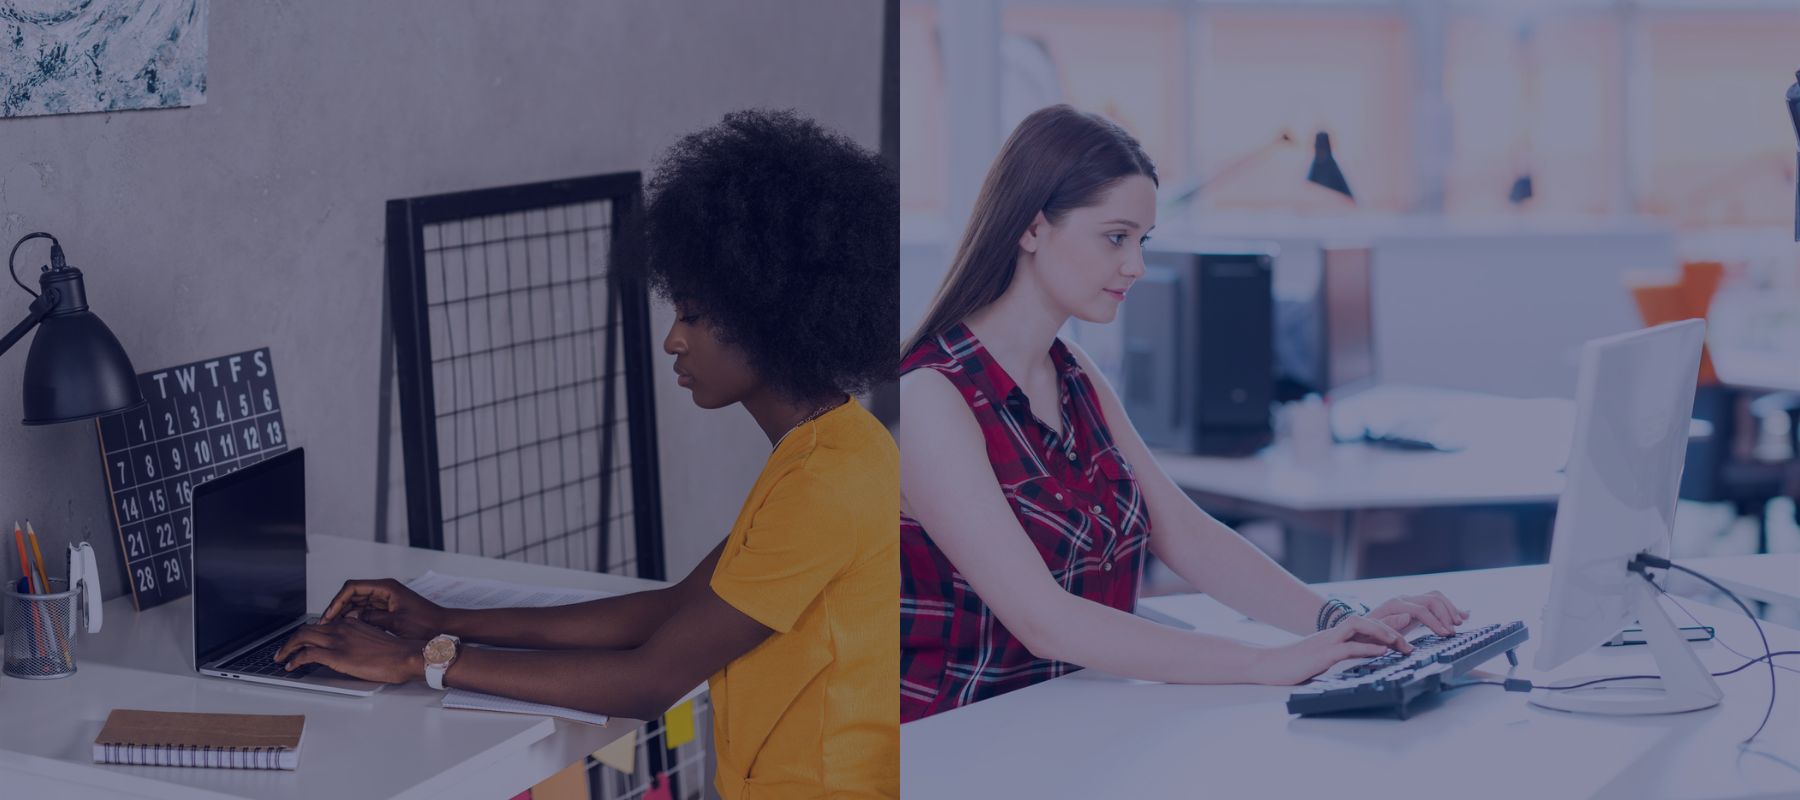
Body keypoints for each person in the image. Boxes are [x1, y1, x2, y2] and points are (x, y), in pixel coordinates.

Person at [275, 109, 899, 799]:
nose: (672, 341)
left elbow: (650, 679)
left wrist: (414, 660)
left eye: (692, 314)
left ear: (768, 316)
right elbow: (667, 613)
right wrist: (444, 620)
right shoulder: (835, 447)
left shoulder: (826, 482)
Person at [898, 104, 1465, 721]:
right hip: (960, 737)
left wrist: (1342, 622)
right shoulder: (931, 396)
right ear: (1033, 228)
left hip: (1071, 719)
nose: (1136, 265)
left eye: (1142, 241)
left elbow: (1186, 534)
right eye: (1116, 237)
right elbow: (1046, 622)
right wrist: (1267, 662)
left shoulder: (1072, 372)